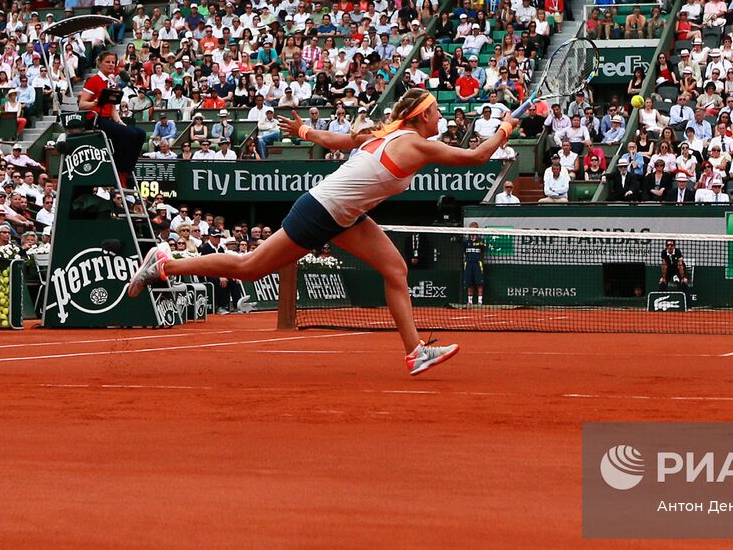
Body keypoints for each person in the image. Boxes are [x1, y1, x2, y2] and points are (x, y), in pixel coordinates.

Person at [127, 88, 517, 376]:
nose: (440, 117)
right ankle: (165, 264)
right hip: (320, 210)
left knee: (396, 270)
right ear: (421, 115)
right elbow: (477, 156)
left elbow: (335, 140)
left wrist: (303, 131)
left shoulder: (385, 134)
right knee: (249, 267)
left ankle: (415, 352)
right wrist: (504, 129)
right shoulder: (413, 144)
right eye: (435, 111)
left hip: (347, 216)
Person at [79, 50, 147, 186]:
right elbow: (82, 104)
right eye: (107, 62)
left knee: (140, 134)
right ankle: (120, 171)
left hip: (108, 119)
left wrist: (120, 122)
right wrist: (95, 103)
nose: (111, 64)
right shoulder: (93, 81)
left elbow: (112, 108)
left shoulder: (111, 83)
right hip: (95, 119)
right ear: (100, 63)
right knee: (129, 134)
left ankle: (128, 171)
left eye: (113, 62)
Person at [462, 222, 488, 306]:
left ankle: (480, 302)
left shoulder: (481, 241)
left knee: (479, 283)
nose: (472, 231)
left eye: (474, 229)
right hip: (468, 263)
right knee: (469, 283)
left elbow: (484, 249)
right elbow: (463, 250)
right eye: (471, 229)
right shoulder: (465, 241)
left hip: (477, 263)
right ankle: (470, 301)